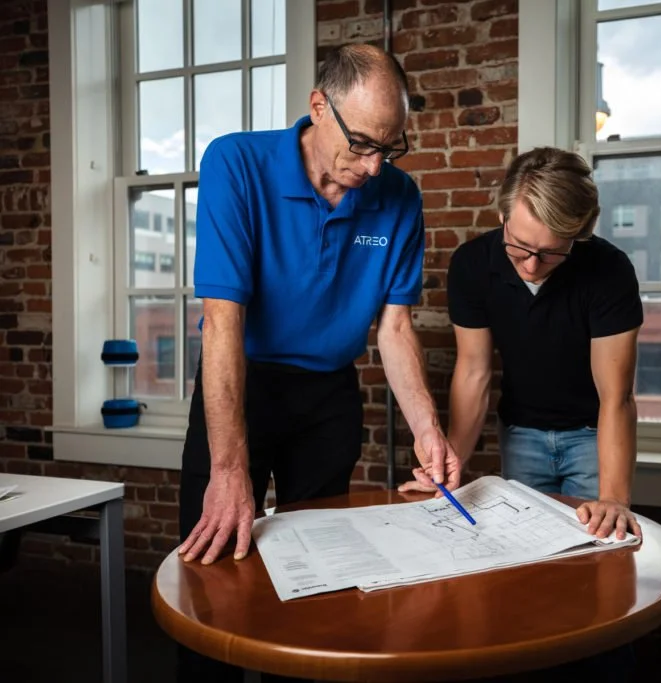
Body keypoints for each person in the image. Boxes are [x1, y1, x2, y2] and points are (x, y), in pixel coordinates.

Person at [175, 44, 459, 683]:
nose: (375, 165)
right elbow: (223, 319)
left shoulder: (398, 196)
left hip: (330, 396)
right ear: (317, 108)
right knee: (214, 561)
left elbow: (393, 327)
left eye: (390, 148)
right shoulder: (237, 163)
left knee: (323, 575)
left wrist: (427, 431)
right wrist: (229, 466)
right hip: (240, 385)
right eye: (361, 144)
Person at [400, 146, 644, 542]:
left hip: (593, 434)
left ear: (577, 235)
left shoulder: (609, 271)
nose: (531, 265)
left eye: (550, 253)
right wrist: (449, 464)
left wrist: (615, 498)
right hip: (520, 432)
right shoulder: (472, 265)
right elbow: (474, 370)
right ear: (502, 217)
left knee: (595, 549)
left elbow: (616, 397)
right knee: (525, 548)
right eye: (520, 246)